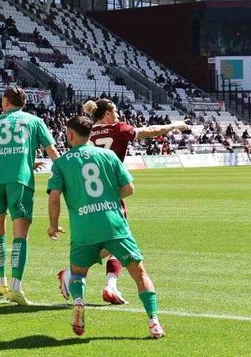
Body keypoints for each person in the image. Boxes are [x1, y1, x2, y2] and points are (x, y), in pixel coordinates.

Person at [57, 98, 187, 306]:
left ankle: (109, 285)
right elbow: (151, 131)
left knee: (110, 238)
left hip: (86, 194)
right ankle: (75, 274)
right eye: (115, 111)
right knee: (116, 237)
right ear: (108, 114)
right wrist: (175, 125)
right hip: (109, 191)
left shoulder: (87, 131)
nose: (118, 114)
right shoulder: (118, 129)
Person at [47, 115, 165, 339]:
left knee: (78, 273)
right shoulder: (109, 155)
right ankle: (154, 322)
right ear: (90, 134)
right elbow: (129, 188)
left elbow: (53, 197)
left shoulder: (62, 163)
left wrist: (53, 225)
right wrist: (109, 199)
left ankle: (79, 300)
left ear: (70, 135)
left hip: (83, 228)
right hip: (114, 225)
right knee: (139, 273)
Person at [0, 86, 60, 305]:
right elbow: (52, 151)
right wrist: (66, 171)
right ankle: (16, 287)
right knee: (20, 234)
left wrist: (17, 163)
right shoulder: (34, 121)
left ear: (6, 101)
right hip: (20, 180)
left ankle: (1, 282)